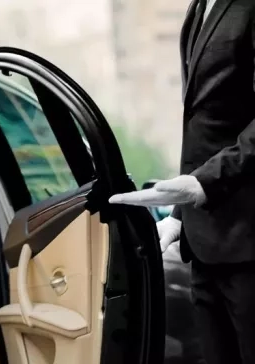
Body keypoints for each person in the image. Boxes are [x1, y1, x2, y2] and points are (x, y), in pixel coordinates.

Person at [108, 0, 255, 363]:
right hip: (204, 244)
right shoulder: (199, 7)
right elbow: (206, 129)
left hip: (249, 245)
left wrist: (205, 183)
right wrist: (178, 215)